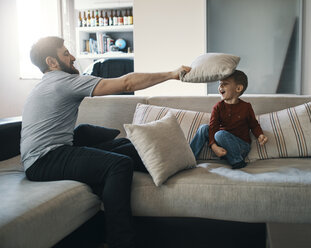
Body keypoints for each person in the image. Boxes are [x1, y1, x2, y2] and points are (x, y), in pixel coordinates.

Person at [21, 36, 191, 248]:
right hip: (44, 160)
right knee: (119, 164)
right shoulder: (63, 82)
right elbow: (126, 83)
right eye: (66, 54)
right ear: (51, 62)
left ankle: (175, 163)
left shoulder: (49, 84)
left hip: (54, 152)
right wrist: (172, 74)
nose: (73, 57)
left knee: (124, 146)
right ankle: (119, 242)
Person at [190, 70, 268, 169]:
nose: (220, 87)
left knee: (220, 134)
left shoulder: (246, 107)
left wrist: (260, 135)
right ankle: (189, 158)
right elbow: (213, 127)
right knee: (204, 128)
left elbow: (254, 124)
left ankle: (237, 161)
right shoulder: (218, 107)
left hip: (241, 147)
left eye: (225, 84)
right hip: (222, 146)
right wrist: (214, 147)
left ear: (238, 88)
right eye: (220, 84)